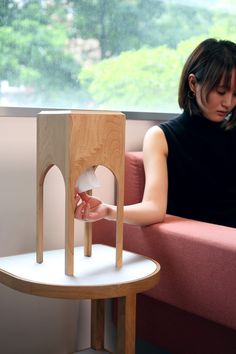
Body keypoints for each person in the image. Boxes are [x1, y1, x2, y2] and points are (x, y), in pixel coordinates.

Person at [74, 38, 236, 228]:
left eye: (235, 94)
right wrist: (108, 211)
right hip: (209, 240)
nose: (229, 102)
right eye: (221, 91)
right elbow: (153, 208)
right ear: (193, 83)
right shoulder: (162, 137)